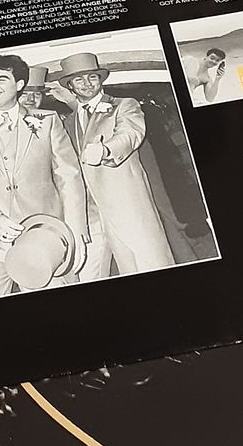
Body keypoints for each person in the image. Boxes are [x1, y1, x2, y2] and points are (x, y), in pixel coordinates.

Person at [0, 53, 88, 295]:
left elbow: (68, 177)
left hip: (45, 239)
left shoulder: (47, 120)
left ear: (19, 85)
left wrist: (76, 231)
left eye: (1, 79)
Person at [57, 51, 175, 281]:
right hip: (92, 215)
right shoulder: (68, 121)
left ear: (100, 79)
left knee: (150, 263)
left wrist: (105, 150)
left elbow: (130, 134)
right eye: (79, 79)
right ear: (70, 85)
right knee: (108, 272)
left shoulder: (124, 105)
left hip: (127, 205)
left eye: (92, 77)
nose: (87, 83)